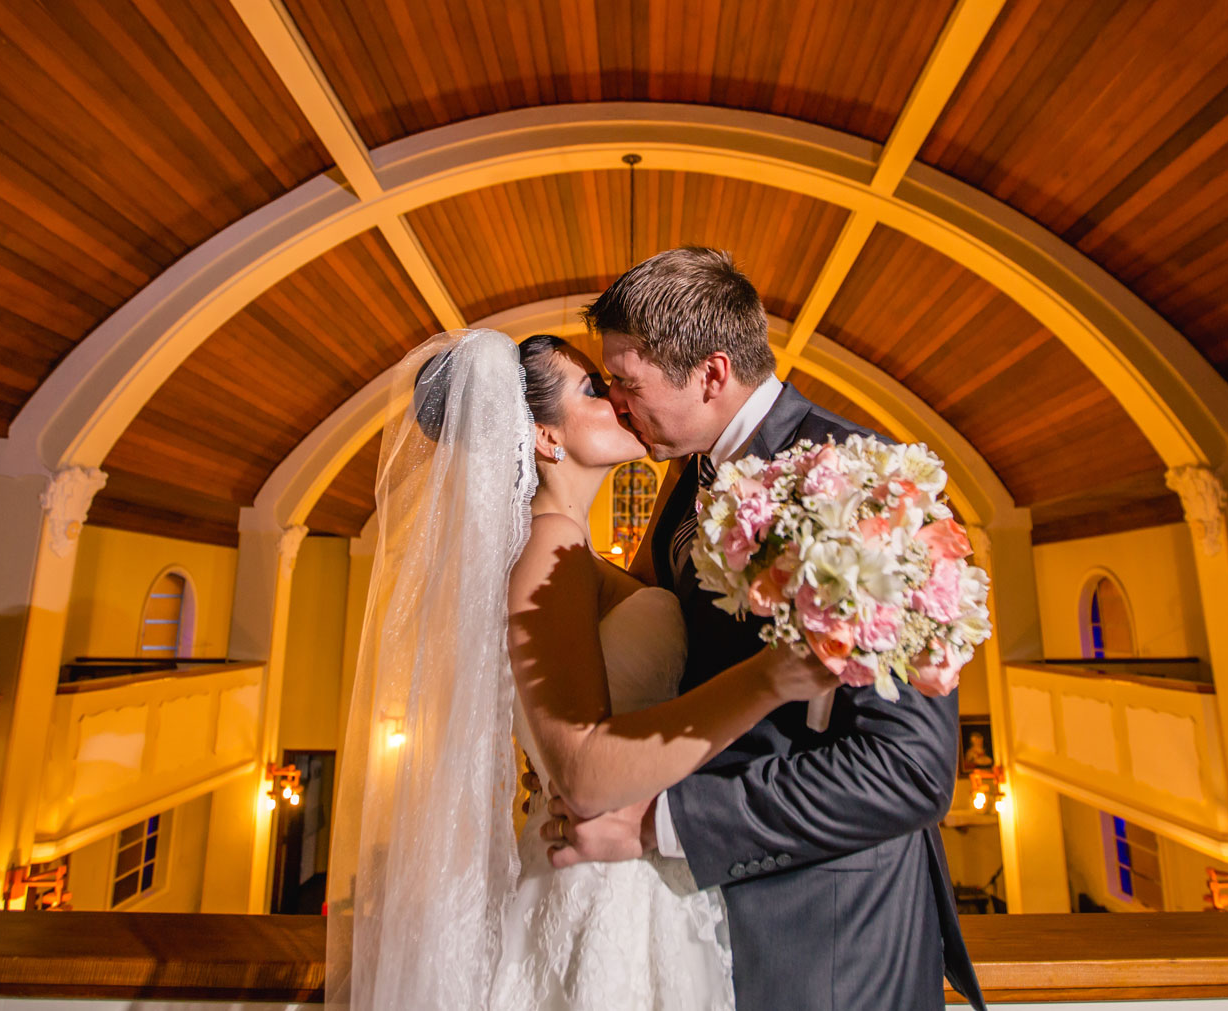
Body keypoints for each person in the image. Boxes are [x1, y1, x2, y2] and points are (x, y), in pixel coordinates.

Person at [327, 325, 842, 1010]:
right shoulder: (552, 549)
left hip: (633, 876)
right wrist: (774, 678)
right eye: (595, 389)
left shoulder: (577, 552)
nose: (619, 400)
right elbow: (583, 772)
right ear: (546, 437)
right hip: (603, 884)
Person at [549, 247, 986, 1011]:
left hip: (833, 936)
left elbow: (907, 769)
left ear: (711, 374)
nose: (616, 402)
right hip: (706, 925)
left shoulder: (866, 485)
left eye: (627, 381)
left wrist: (662, 823)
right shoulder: (690, 476)